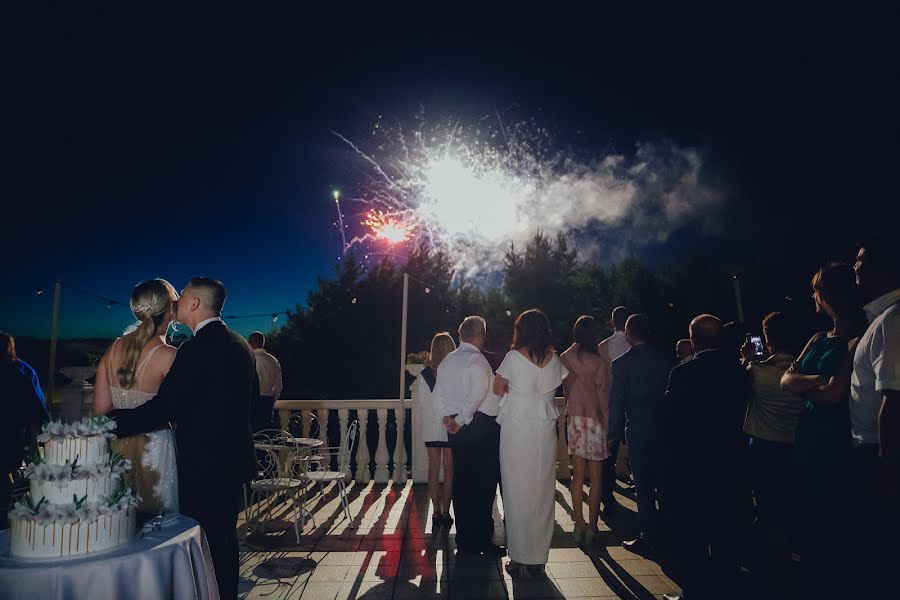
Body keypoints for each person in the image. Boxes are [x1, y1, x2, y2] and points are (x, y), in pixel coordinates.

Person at [107, 277, 258, 600]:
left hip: (203, 465)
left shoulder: (195, 349)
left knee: (202, 543)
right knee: (225, 543)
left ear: (194, 304)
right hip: (233, 463)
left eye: (183, 296)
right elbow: (254, 406)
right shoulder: (240, 344)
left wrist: (114, 423)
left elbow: (166, 406)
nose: (176, 303)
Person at [781, 262, 864, 599]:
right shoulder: (818, 338)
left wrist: (805, 384)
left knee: (834, 525)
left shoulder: (856, 339)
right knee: (808, 523)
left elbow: (835, 395)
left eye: (816, 290)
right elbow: (787, 381)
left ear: (827, 295)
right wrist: (816, 381)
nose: (812, 296)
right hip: (808, 440)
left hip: (835, 442)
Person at [660, 314, 751, 600]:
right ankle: (728, 588)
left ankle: (696, 593)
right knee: (727, 529)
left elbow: (669, 421)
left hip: (692, 465)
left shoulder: (683, 372)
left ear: (694, 339)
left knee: (693, 533)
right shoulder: (740, 372)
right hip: (731, 462)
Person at [93, 279, 180, 516]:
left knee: (120, 523)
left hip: (117, 448)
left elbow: (101, 410)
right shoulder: (169, 355)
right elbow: (177, 410)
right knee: (159, 525)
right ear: (171, 310)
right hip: (155, 450)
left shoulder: (113, 349)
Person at [494, 309, 568, 579]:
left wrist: (514, 388)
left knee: (516, 492)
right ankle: (538, 558)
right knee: (542, 491)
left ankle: (519, 558)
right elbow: (554, 386)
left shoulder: (513, 357)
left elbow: (497, 388)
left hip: (517, 427)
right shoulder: (554, 358)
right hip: (545, 428)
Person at [849, 234, 900, 597]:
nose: (855, 266)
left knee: (885, 545)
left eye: (861, 260)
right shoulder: (879, 317)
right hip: (873, 451)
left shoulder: (893, 319)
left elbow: (893, 396)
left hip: (880, 453)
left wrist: (885, 464)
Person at [742, 311, 801, 598]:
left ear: (767, 338)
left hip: (766, 446)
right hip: (797, 446)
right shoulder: (803, 371)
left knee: (770, 510)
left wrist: (747, 359)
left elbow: (742, 389)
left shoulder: (758, 372)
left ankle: (777, 571)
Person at [434, 316, 504, 556]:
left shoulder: (447, 361)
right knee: (483, 486)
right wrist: (461, 421)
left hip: (456, 426)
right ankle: (481, 540)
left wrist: (447, 418)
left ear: (461, 334)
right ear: (481, 335)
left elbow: (438, 394)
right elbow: (478, 394)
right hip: (479, 426)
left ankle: (465, 539)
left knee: (463, 484)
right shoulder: (477, 360)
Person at [608, 314, 673, 555]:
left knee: (643, 487)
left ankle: (649, 535)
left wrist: (612, 433)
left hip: (638, 430)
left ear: (628, 333)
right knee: (665, 485)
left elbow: (617, 403)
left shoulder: (621, 364)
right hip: (665, 431)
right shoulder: (666, 360)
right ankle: (669, 532)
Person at [560, 315, 611, 546]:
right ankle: (592, 527)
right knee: (596, 476)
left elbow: (566, 390)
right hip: (594, 420)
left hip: (575, 419)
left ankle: (578, 523)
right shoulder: (598, 362)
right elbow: (603, 398)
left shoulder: (565, 358)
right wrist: (608, 426)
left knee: (577, 475)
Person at [1, 331, 49, 528]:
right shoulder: (21, 369)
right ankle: (6, 513)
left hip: (11, 426)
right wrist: (46, 424)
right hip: (11, 428)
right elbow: (35, 402)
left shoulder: (22, 369)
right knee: (8, 467)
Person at [420, 331, 457, 530]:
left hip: (431, 426)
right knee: (449, 470)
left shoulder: (424, 374)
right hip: (449, 424)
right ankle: (446, 512)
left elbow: (422, 402)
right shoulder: (453, 373)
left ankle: (435, 511)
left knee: (433, 470)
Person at [598, 306, 631, 517]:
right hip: (635, 407)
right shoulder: (636, 343)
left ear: (612, 322)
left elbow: (600, 382)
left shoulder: (602, 347)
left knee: (608, 457)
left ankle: (607, 499)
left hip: (610, 405)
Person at [248, 331, 282, 432]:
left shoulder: (249, 358)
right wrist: (272, 399)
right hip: (267, 401)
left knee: (253, 434)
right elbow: (278, 386)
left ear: (250, 343)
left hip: (252, 402)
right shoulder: (273, 360)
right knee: (265, 433)